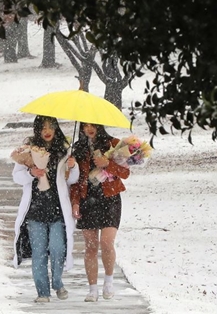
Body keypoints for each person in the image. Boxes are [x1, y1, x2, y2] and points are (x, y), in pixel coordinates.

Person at [11, 116, 78, 303]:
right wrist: (31, 173)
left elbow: (71, 180)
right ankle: (42, 292)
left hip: (57, 210)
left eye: (50, 127)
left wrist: (73, 167)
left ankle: (57, 282)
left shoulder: (64, 151)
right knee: (39, 252)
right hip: (35, 210)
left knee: (58, 248)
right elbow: (17, 177)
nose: (47, 131)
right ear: (37, 130)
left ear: (56, 129)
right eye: (43, 128)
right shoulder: (28, 151)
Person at [70, 123, 130, 302]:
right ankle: (92, 289)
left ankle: (109, 282)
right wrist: (75, 202)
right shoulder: (78, 149)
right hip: (87, 199)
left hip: (110, 197)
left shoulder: (114, 144)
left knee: (106, 242)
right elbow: (74, 181)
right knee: (90, 246)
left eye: (92, 125)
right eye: (85, 125)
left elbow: (125, 172)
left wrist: (108, 164)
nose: (89, 128)